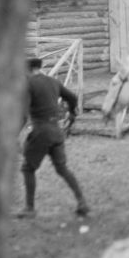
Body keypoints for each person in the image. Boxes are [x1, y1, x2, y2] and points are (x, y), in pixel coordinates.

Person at [17, 57, 89, 218]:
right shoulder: (53, 82)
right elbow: (72, 97)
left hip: (41, 132)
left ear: (27, 70)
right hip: (57, 132)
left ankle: (29, 209)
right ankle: (82, 202)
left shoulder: (28, 84)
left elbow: (22, 113)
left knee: (27, 169)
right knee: (62, 168)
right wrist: (72, 113)